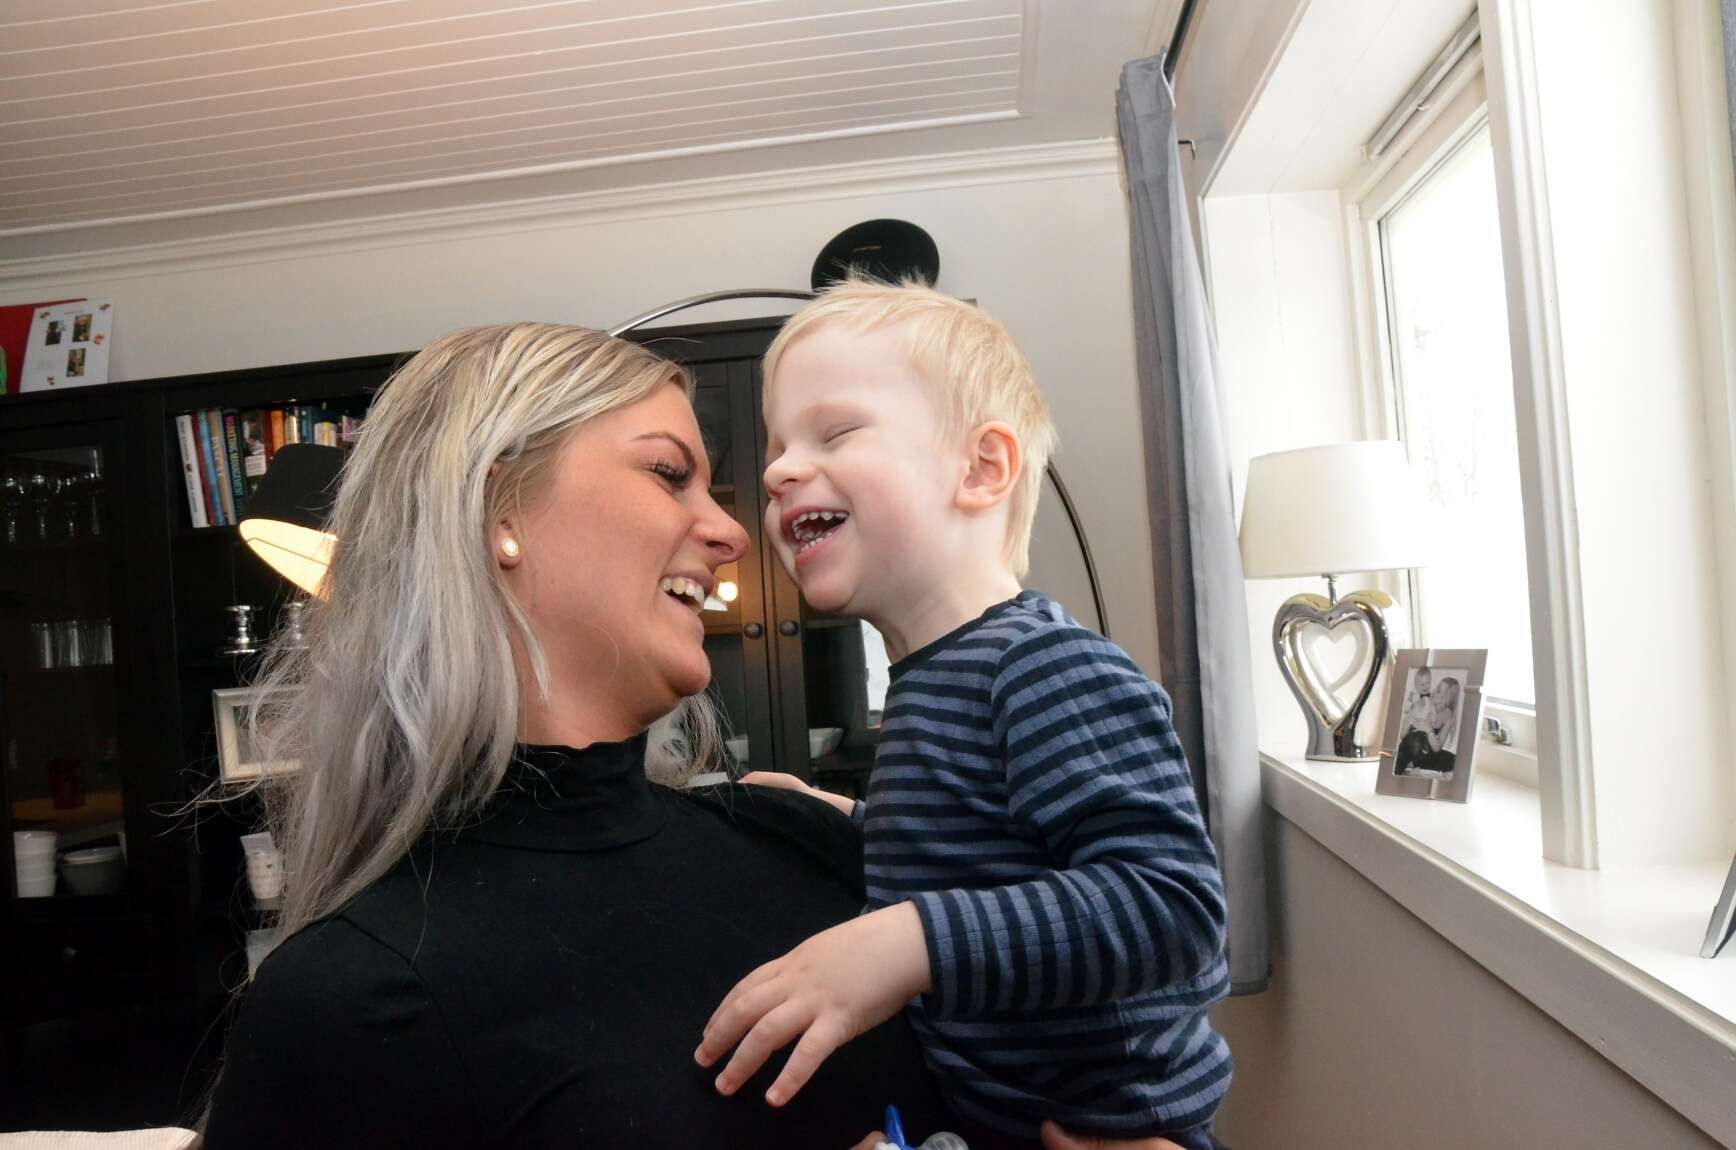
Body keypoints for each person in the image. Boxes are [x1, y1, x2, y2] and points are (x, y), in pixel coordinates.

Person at [199, 323, 1181, 1150]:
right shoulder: (348, 1000)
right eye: (670, 474)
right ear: (498, 508)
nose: (734, 532)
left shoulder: (804, 839)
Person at [695, 281, 1233, 1149]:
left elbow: (1173, 908)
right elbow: (989, 852)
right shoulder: (929, 681)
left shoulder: (1044, 667)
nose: (778, 471)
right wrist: (851, 819)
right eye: (778, 447)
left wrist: (904, 944)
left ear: (982, 469)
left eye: (834, 432)